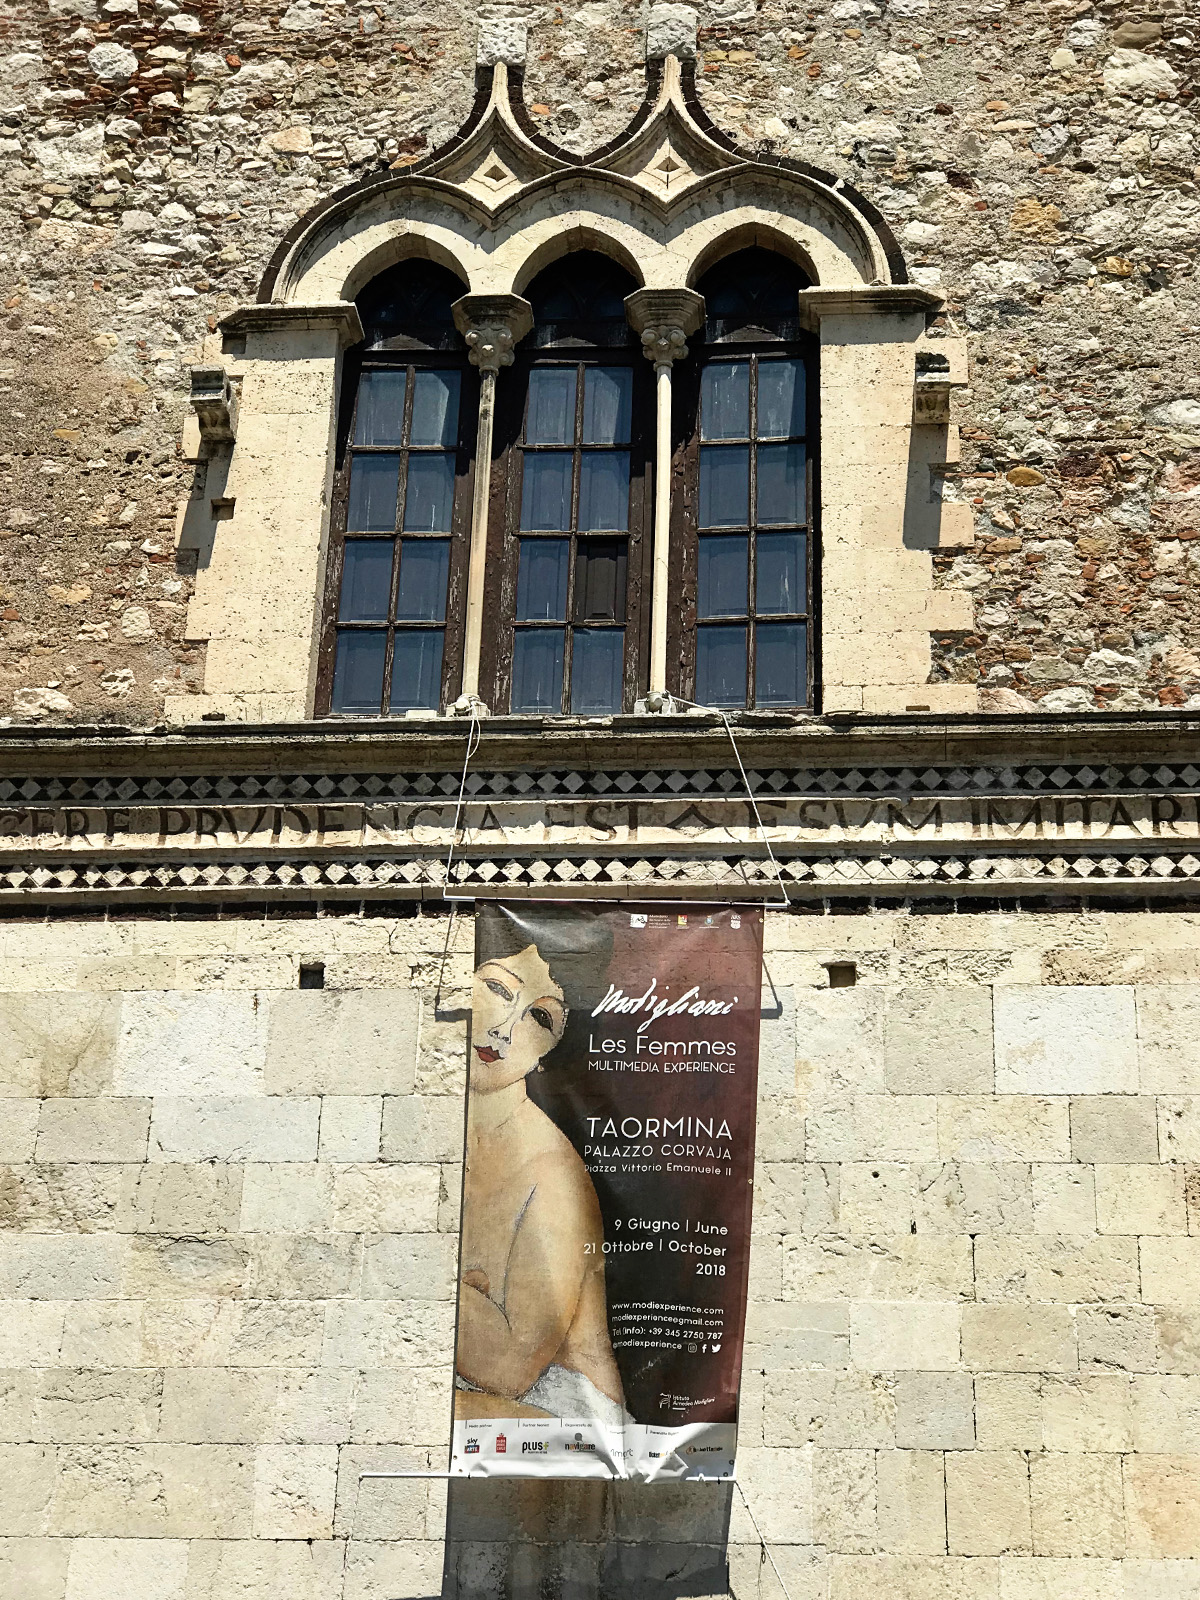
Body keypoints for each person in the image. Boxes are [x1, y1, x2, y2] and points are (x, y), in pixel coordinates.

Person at [455, 906, 627, 1426]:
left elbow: (508, 1369)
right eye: (498, 990)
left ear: (551, 1049)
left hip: (566, 1418)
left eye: (540, 1017)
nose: (505, 1030)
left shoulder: (551, 1175)